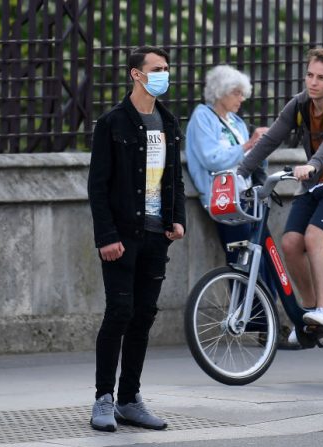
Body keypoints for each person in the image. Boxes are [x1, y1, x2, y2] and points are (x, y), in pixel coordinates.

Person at [236, 48, 323, 345]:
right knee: (289, 243)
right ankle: (313, 315)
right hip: (316, 185)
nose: (313, 83)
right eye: (310, 75)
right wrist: (240, 172)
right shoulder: (300, 104)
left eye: (321, 78)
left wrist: (313, 164)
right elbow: (271, 138)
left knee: (314, 238)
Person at [87, 46, 186, 432]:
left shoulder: (167, 121)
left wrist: (176, 219)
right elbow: (98, 187)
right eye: (156, 69)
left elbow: (173, 177)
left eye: (166, 68)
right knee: (119, 313)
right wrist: (106, 236)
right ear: (136, 75)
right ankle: (103, 398)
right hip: (122, 237)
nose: (163, 74)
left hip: (155, 235)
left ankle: (130, 399)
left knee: (144, 316)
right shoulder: (112, 123)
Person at [185, 65, 271, 276]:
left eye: (243, 94)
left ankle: (264, 306)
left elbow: (248, 160)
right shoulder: (202, 117)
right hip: (225, 200)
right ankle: (246, 307)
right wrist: (248, 145)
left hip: (246, 195)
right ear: (219, 91)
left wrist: (261, 146)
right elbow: (211, 158)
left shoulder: (237, 122)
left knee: (262, 257)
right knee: (241, 257)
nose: (241, 99)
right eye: (236, 93)